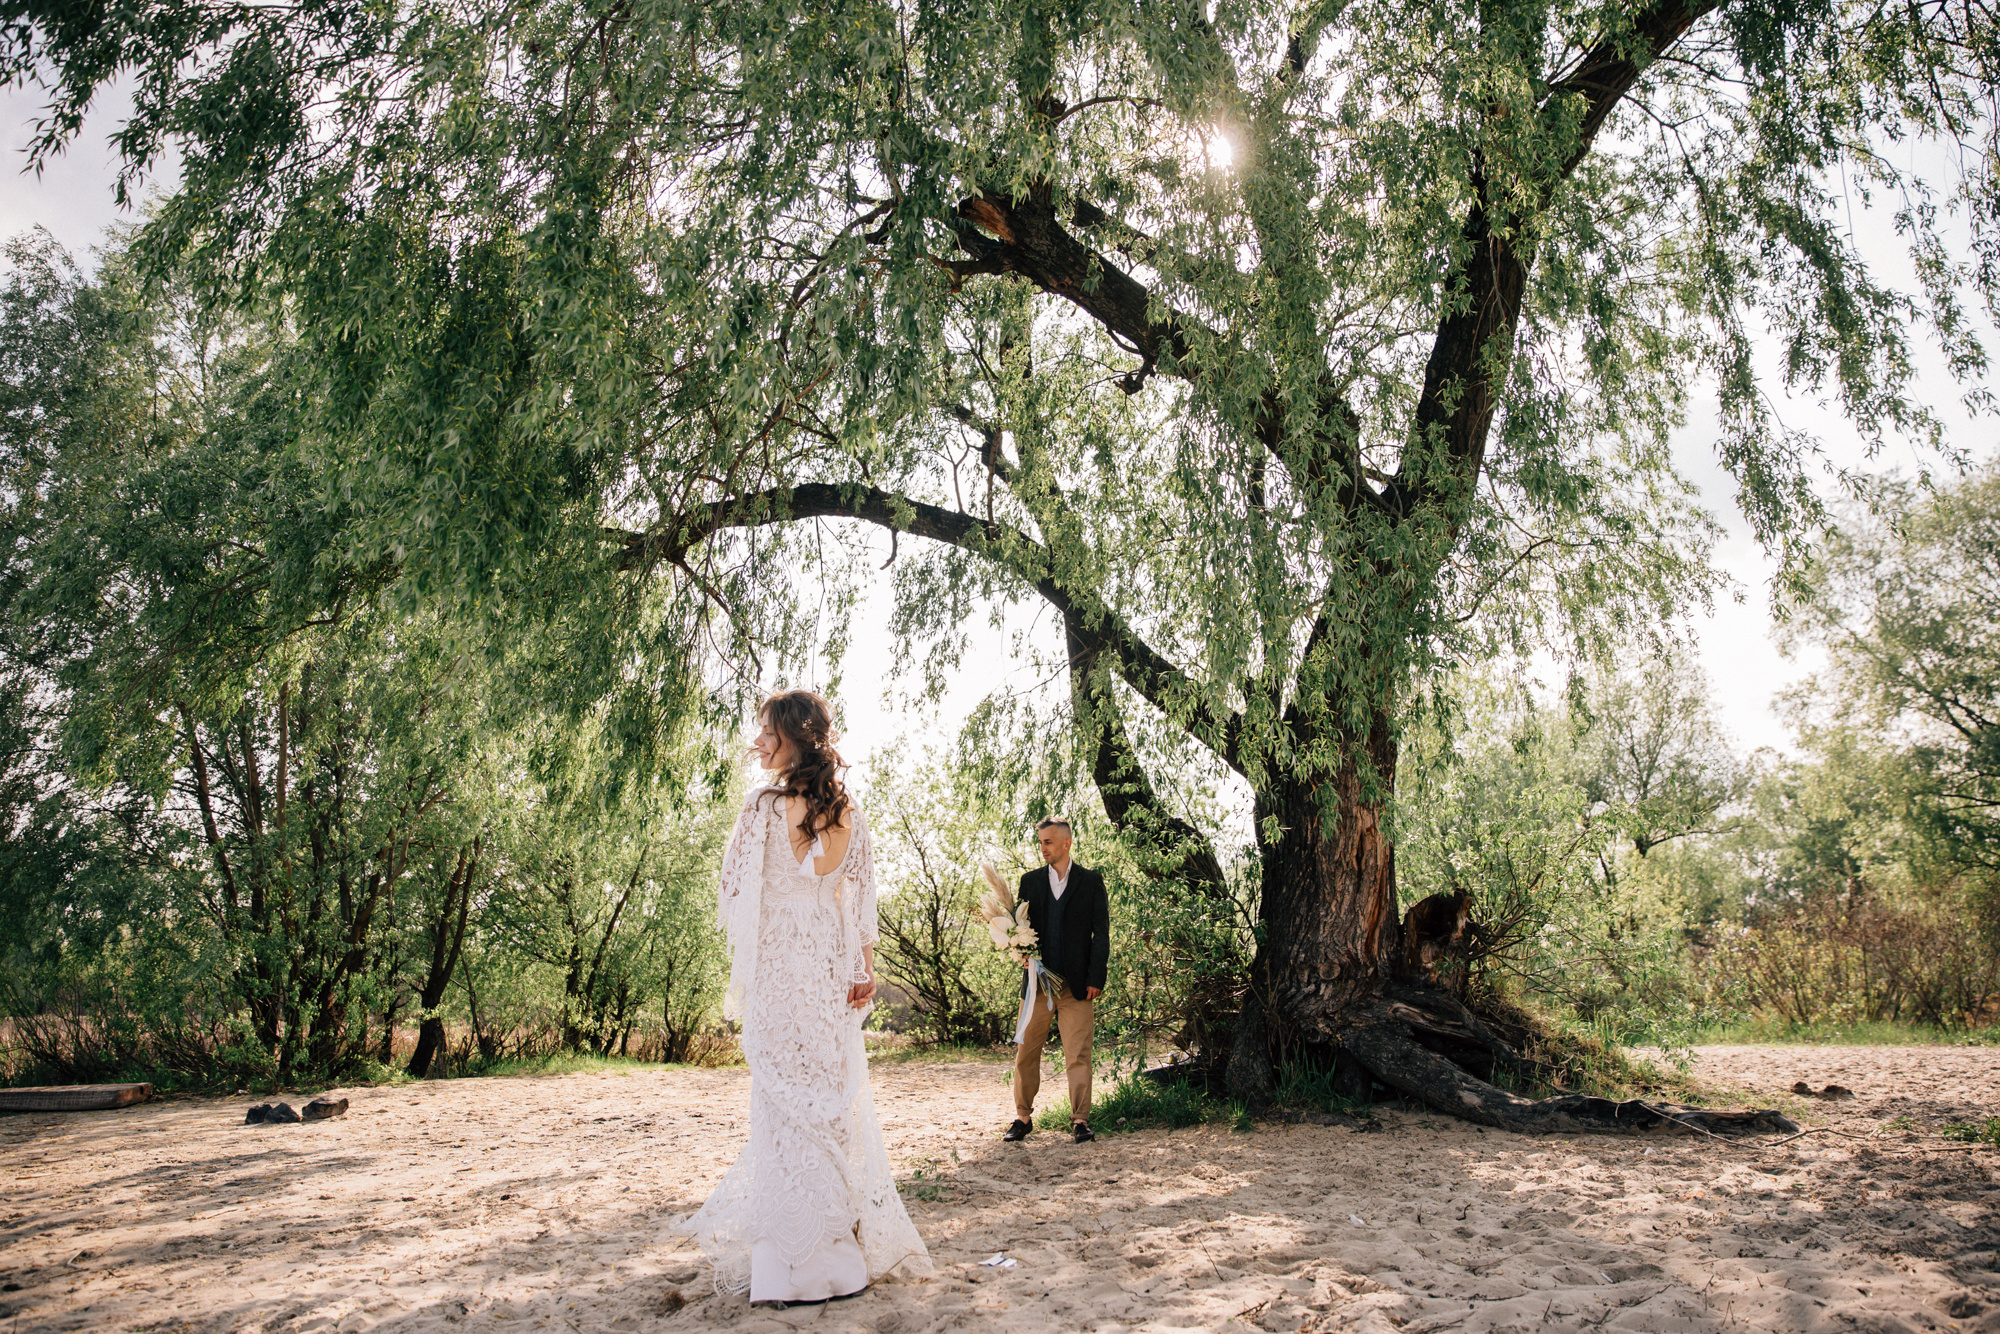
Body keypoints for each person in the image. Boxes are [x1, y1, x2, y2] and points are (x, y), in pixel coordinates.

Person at [679, 690, 931, 1303]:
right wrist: (863, 967)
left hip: (778, 972)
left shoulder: (760, 807)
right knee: (826, 1103)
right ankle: (836, 1264)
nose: (758, 742)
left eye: (767, 732)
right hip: (825, 971)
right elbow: (859, 898)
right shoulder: (847, 810)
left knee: (781, 1104)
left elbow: (731, 890)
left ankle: (789, 1268)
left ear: (793, 737)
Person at [1002, 817, 1110, 1145]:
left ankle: (1080, 1121)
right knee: (1026, 1052)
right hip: (1037, 984)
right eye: (1040, 842)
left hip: (1077, 986)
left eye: (1048, 842)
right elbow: (1019, 928)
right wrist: (1020, 953)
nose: (1043, 848)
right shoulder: (1030, 881)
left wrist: (1096, 977)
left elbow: (1101, 934)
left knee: (1078, 1054)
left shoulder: (1091, 881)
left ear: (1067, 843)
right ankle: (1023, 1118)